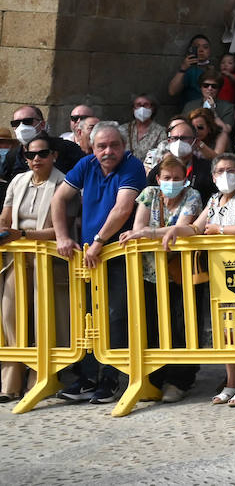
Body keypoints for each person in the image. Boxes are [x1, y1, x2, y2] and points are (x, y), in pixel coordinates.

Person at [52, 122, 145, 402]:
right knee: (88, 316)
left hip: (117, 252)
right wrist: (62, 236)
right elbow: (59, 199)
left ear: (124, 145)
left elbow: (123, 207)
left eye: (114, 145)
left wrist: (100, 241)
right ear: (92, 148)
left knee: (116, 315)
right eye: (101, 146)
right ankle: (87, 378)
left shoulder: (132, 165)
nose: (108, 151)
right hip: (89, 255)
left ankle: (111, 378)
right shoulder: (86, 164)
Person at [165, 152, 235, 405]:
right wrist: (174, 229)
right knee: (224, 326)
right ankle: (231, 381)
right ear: (213, 175)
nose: (225, 175)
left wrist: (220, 230)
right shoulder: (215, 198)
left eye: (231, 170)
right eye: (219, 171)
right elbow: (196, 227)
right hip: (218, 268)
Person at [119, 153, 203, 402]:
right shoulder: (149, 194)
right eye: (167, 177)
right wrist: (146, 232)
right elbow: (138, 228)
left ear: (184, 179)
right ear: (158, 178)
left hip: (180, 273)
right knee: (152, 324)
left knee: (181, 326)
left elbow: (185, 227)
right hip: (149, 272)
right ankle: (154, 378)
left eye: (177, 178)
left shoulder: (192, 196)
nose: (172, 182)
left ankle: (180, 380)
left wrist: (149, 232)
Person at [0, 132, 78, 401]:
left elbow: (61, 230)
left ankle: (41, 379)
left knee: (46, 321)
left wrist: (21, 236)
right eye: (30, 154)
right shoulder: (18, 180)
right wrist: (5, 232)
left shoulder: (64, 183)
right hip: (16, 261)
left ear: (54, 155)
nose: (36, 159)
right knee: (11, 318)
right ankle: (9, 384)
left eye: (42, 153)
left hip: (48, 262)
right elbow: (6, 218)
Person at [1, 106, 85, 191]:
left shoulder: (67, 149)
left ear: (42, 124)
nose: (21, 127)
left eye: (28, 121)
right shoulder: (12, 156)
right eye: (16, 123)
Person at [123, 93, 167, 162]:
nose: (142, 108)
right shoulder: (123, 129)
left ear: (152, 108)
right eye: (138, 105)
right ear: (133, 109)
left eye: (146, 105)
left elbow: (161, 156)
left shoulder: (160, 132)